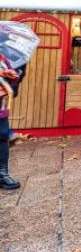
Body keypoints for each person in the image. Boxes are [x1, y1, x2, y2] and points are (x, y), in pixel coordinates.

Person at [0, 59, 23, 189]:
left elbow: (15, 81)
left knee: (3, 137)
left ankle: (3, 175)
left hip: (1, 106)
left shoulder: (3, 60)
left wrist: (12, 76)